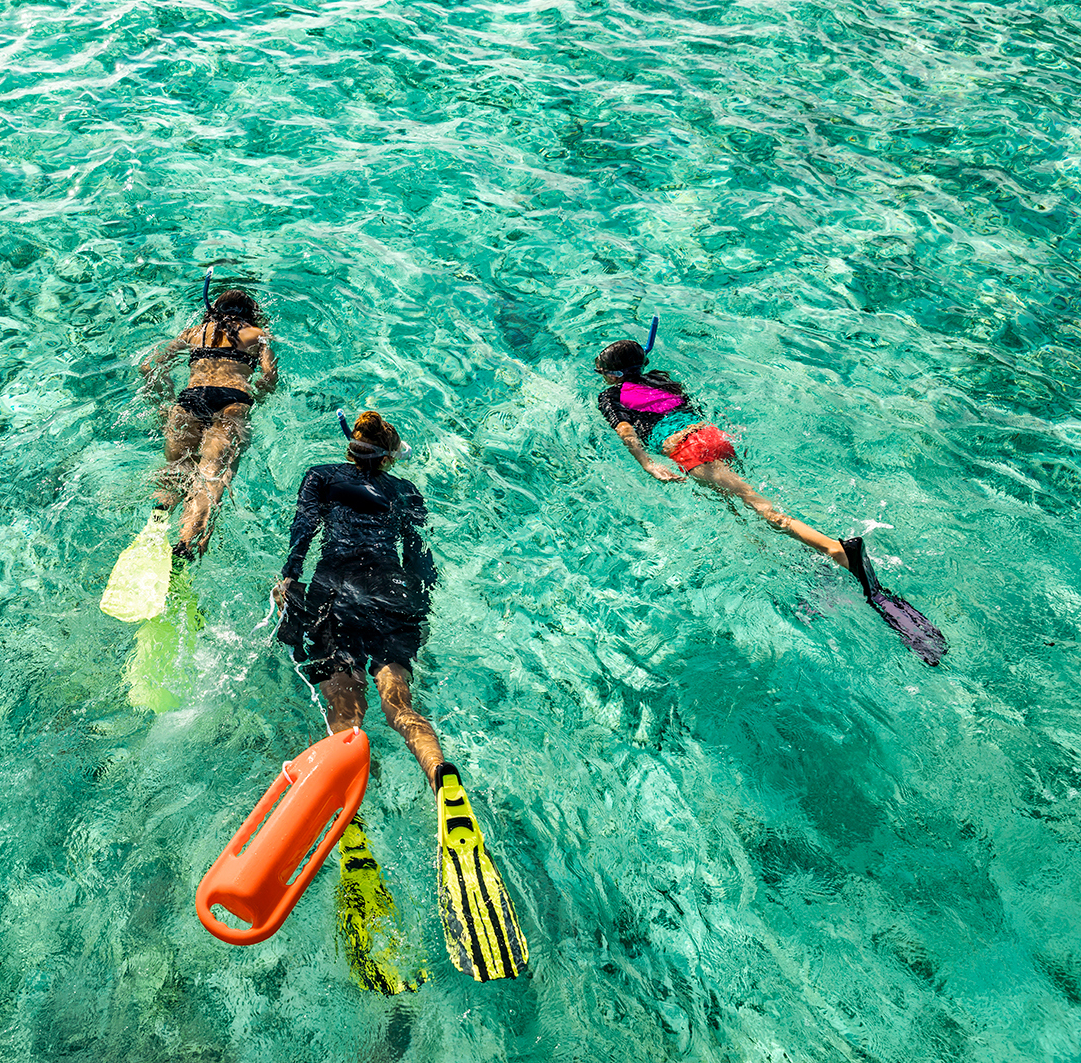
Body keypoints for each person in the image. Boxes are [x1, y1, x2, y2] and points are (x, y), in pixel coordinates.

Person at [273, 411, 527, 983]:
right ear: (389, 456)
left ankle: (349, 810)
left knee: (347, 713)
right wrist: (419, 611)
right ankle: (442, 778)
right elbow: (421, 558)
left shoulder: (320, 475)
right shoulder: (406, 489)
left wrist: (289, 579)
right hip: (393, 597)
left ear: (350, 449)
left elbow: (304, 532)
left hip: (336, 593)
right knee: (400, 703)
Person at [593, 320, 946, 665]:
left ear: (614, 375)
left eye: (604, 372)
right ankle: (797, 566)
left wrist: (647, 464)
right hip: (713, 437)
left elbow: (626, 431)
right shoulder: (663, 380)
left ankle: (839, 552)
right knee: (735, 510)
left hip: (689, 451)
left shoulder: (610, 395)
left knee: (764, 511)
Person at [139, 275, 277, 559]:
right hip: (231, 403)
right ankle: (186, 545)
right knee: (211, 475)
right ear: (249, 313)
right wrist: (261, 397)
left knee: (175, 474)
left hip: (191, 399)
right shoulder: (257, 334)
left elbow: (148, 365)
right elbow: (269, 377)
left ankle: (154, 528)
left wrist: (162, 399)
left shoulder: (194, 332)